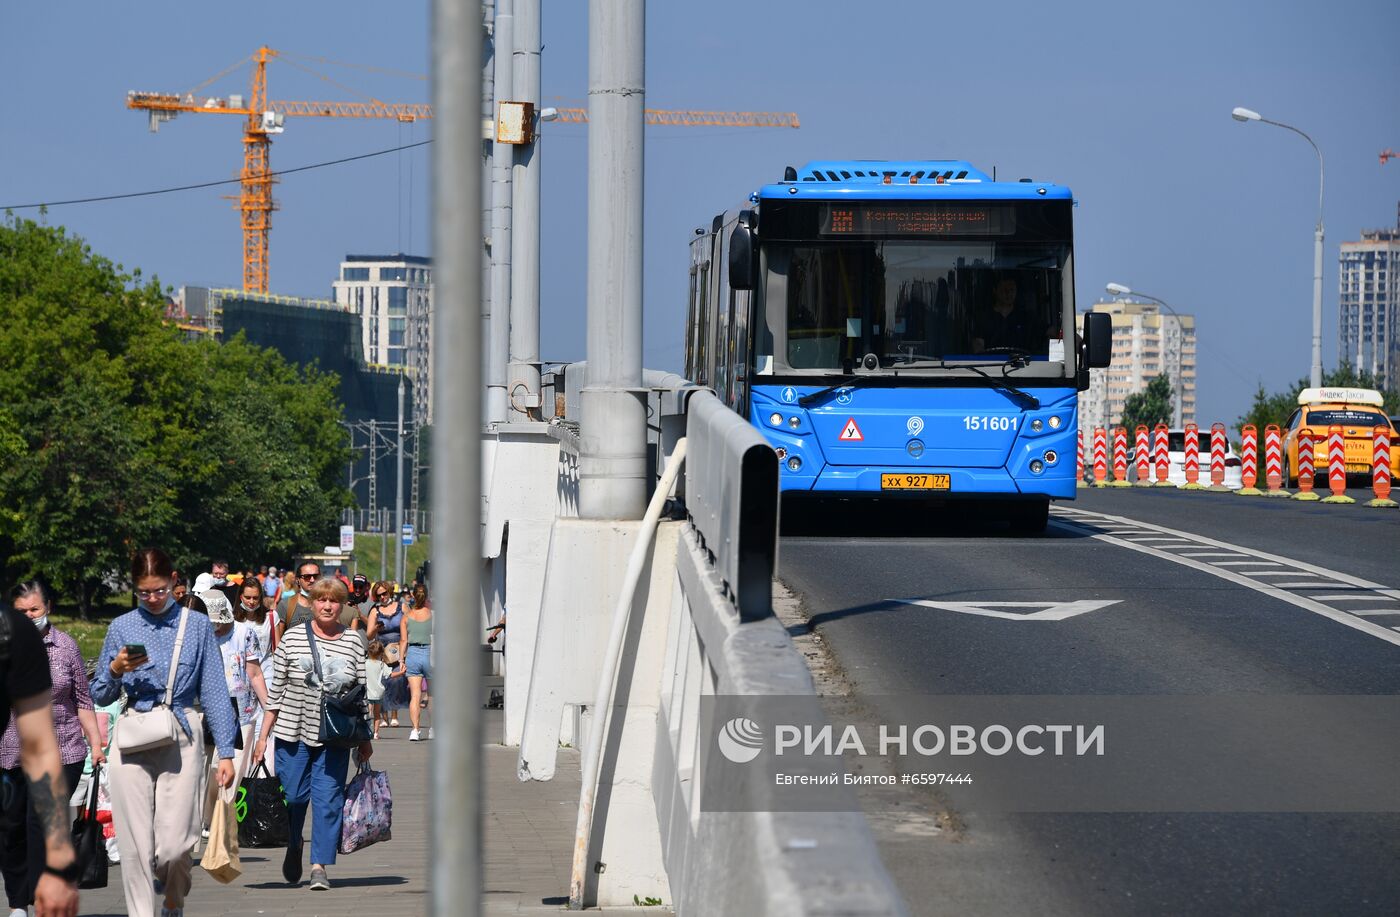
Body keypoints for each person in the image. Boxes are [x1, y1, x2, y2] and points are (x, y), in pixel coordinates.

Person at [91, 548, 237, 917]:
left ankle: (174, 899)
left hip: (182, 733)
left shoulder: (197, 626)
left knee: (175, 845)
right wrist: (114, 668)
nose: (152, 599)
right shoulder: (121, 626)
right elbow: (101, 694)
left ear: (174, 582)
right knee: (135, 845)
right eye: (144, 592)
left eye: (158, 590)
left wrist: (226, 752)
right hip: (134, 734)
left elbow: (216, 689)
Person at [251, 577, 372, 891]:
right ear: (313, 603)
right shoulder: (291, 638)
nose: (328, 606)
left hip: (336, 735)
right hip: (292, 731)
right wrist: (263, 736)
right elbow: (275, 691)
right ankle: (294, 842)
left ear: (343, 605)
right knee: (293, 796)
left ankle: (319, 866)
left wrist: (365, 739)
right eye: (322, 600)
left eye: (334, 601)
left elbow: (362, 692)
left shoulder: (353, 640)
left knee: (328, 800)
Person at [1, 581, 95, 917]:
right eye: (21, 612)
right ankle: (17, 902)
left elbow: (83, 700)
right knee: (11, 830)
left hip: (62, 750)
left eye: (34, 610)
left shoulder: (66, 647)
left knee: (38, 822)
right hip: (9, 751)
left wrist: (96, 742)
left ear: (48, 608)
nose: (28, 617)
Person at [198, 590, 266, 833]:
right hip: (207, 707)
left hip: (241, 708)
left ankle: (222, 820)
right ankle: (207, 818)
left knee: (234, 766)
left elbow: (255, 672)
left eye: (220, 621)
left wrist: (268, 708)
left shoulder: (244, 633)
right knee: (209, 768)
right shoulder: (199, 633)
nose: (217, 626)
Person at [365, 583, 405, 728]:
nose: (382, 597)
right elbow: (369, 634)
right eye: (379, 595)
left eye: (384, 594)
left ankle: (394, 714)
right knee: (382, 682)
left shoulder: (402, 607)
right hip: (382, 649)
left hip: (399, 648)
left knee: (396, 681)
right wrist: (376, 627)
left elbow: (409, 625)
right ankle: (383, 717)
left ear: (389, 592)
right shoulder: (375, 611)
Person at [400, 584, 433, 742]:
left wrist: (401, 660)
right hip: (431, 653)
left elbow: (403, 640)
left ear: (413, 596)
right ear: (426, 596)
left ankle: (415, 730)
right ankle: (433, 728)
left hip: (413, 653)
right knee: (432, 694)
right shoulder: (433, 615)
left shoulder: (406, 617)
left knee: (415, 695)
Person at [971, 275, 1037, 354]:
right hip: (991, 365)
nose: (1008, 293)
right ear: (995, 290)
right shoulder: (983, 318)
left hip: (1024, 365)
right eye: (1004, 290)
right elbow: (978, 345)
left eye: (1012, 290)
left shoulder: (1026, 317)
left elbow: (1051, 333)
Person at [278, 561, 319, 639]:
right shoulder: (285, 605)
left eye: (316, 576)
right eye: (307, 576)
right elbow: (278, 640)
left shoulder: (329, 605)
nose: (312, 580)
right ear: (298, 580)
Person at [364, 641, 390, 741]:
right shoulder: (382, 664)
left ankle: (367, 731)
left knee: (368, 713)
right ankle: (375, 733)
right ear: (380, 653)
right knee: (377, 714)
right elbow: (390, 675)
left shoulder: (365, 663)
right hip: (379, 693)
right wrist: (401, 672)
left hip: (368, 692)